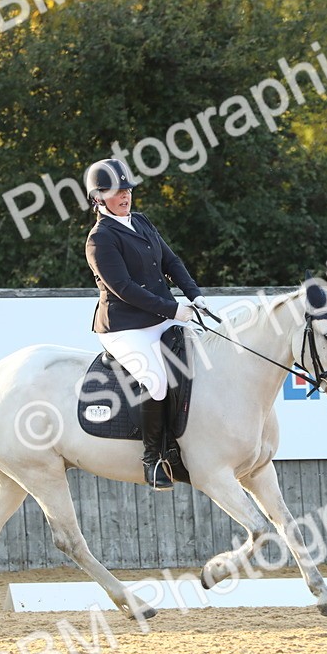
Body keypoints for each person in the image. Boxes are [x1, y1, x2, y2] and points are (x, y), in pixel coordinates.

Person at [83, 158, 209, 491]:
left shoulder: (141, 222)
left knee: (203, 356)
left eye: (127, 189)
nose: (124, 195)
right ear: (98, 198)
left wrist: (195, 296)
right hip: (123, 327)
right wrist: (173, 309)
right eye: (115, 191)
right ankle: (153, 459)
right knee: (154, 380)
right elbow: (124, 289)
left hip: (160, 317)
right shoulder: (100, 239)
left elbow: (171, 261)